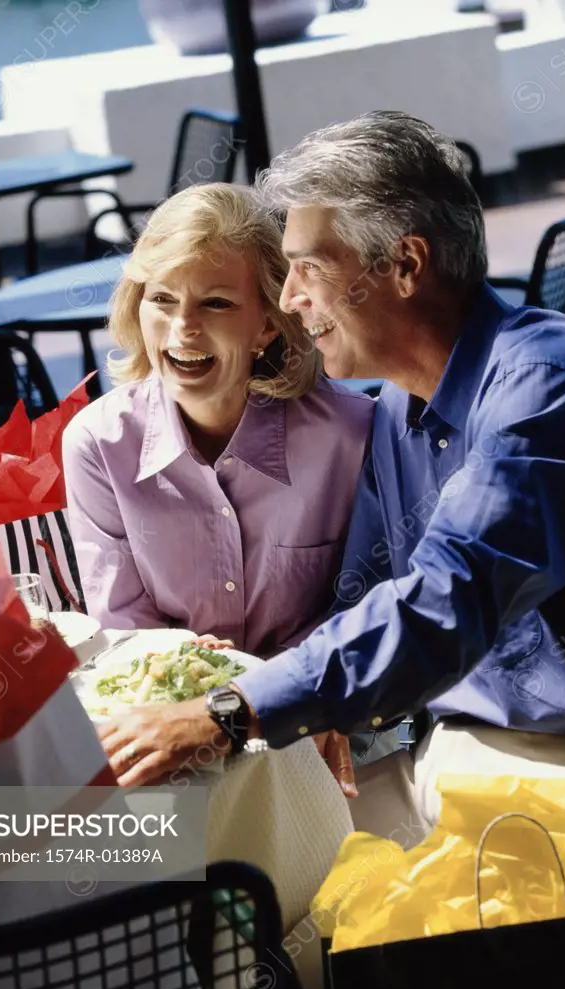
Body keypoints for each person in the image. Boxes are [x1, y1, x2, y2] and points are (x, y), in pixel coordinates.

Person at [98, 111, 565, 837]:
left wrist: (233, 712)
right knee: (207, 852)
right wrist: (301, 695)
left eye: (307, 266)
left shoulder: (546, 388)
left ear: (402, 265)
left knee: (268, 878)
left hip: (562, 762)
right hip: (463, 748)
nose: (291, 299)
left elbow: (440, 606)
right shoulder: (398, 409)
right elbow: (360, 601)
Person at [62, 182, 372, 676]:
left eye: (217, 303)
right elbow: (122, 629)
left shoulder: (353, 435)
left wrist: (263, 693)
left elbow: (368, 615)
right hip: (171, 711)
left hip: (320, 711)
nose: (183, 326)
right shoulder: (99, 445)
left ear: (268, 324)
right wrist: (197, 680)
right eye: (162, 298)